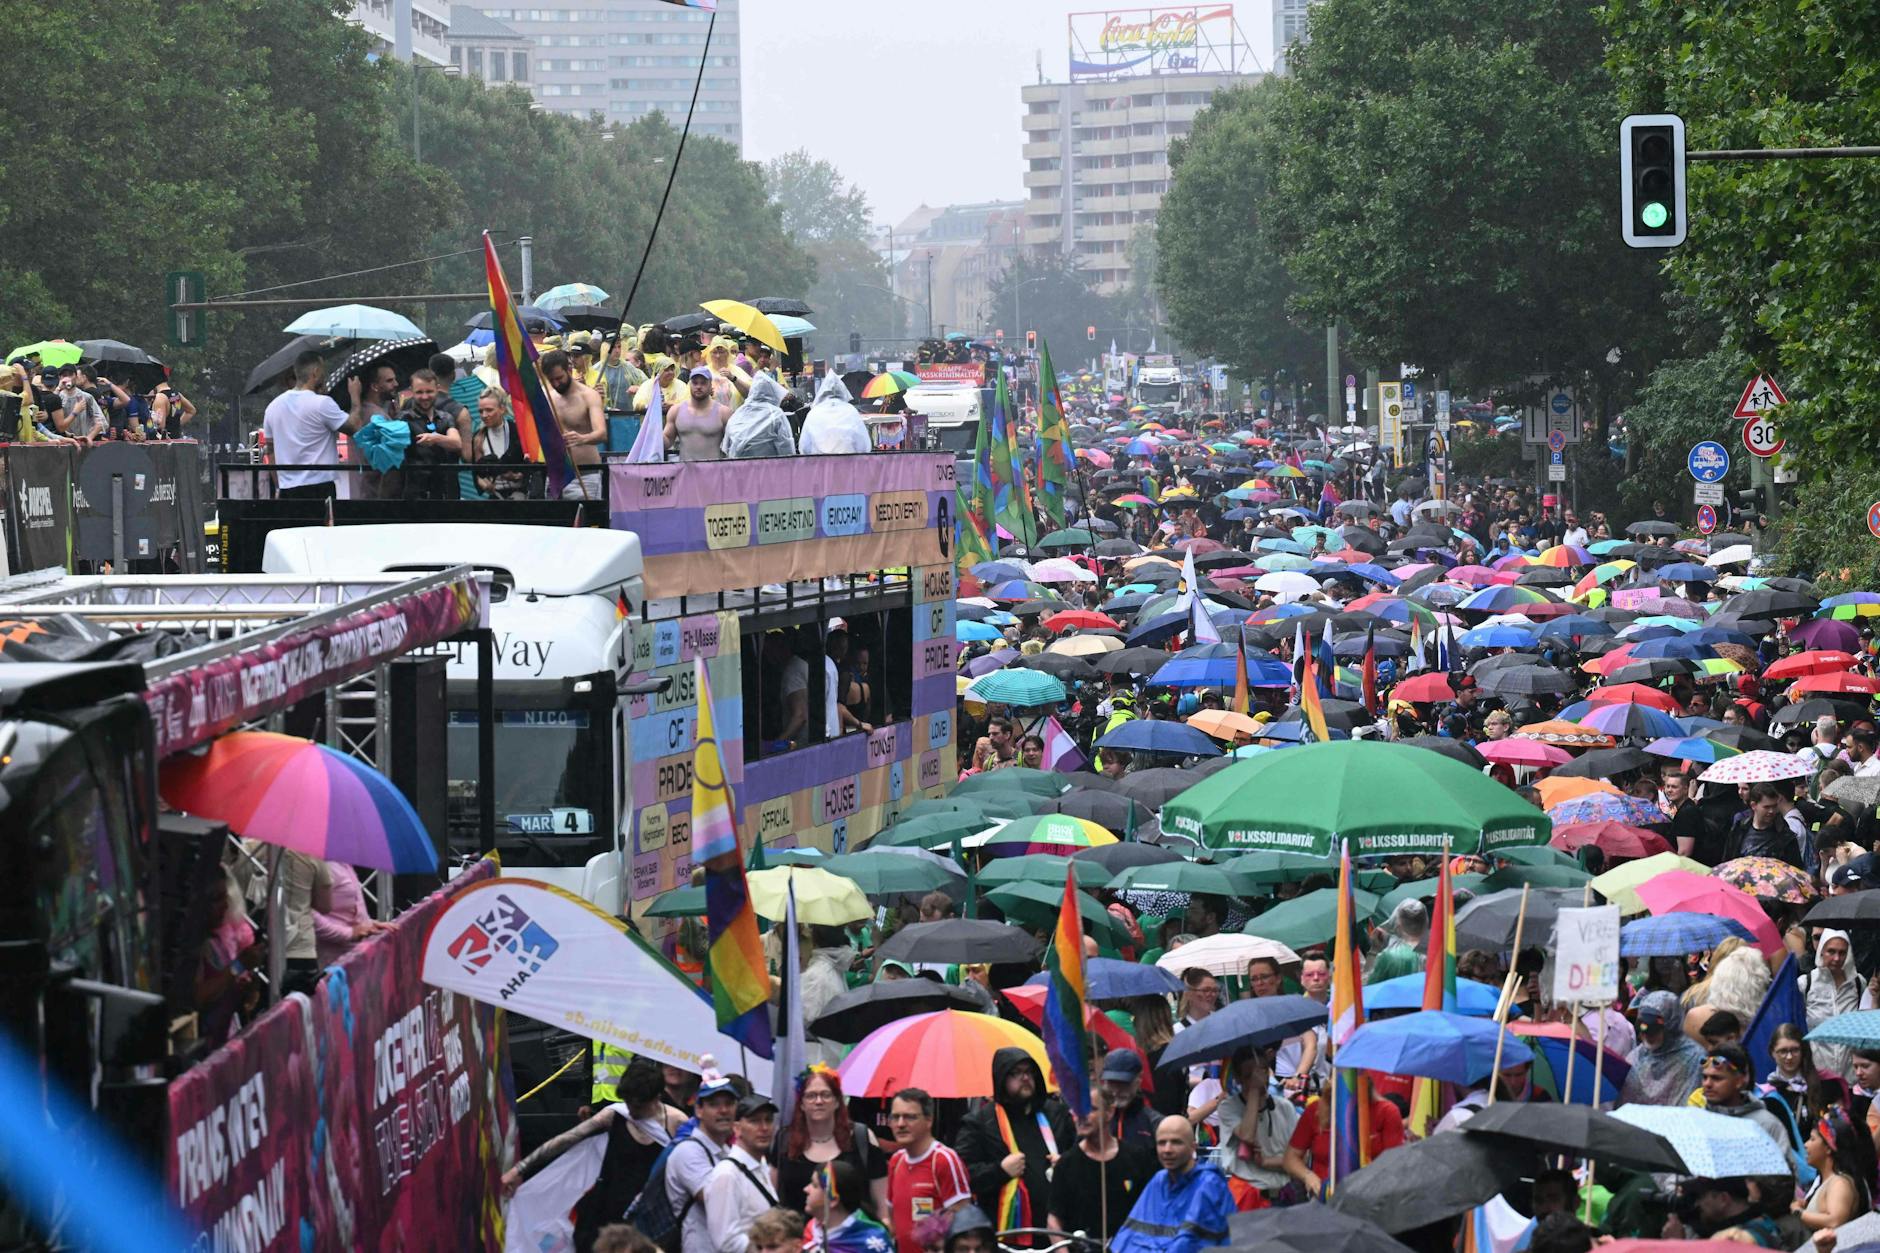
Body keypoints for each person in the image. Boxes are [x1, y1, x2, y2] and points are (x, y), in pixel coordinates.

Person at [504, 1056, 687, 1253]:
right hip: (605, 1218)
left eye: (637, 1107)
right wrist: (519, 1169)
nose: (631, 1111)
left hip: (647, 1218)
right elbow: (566, 1139)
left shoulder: (677, 1123)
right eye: (628, 1104)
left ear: (655, 1098)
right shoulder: (616, 1115)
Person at [956, 1048, 1070, 1243]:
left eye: (1029, 1072)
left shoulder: (1056, 1114)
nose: (1025, 1078)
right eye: (1015, 1073)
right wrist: (1000, 1171)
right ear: (1001, 1078)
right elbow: (963, 1175)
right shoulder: (980, 1122)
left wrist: (1066, 1163)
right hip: (1005, 1236)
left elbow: (1081, 1154)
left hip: (1058, 1230)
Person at [772, 1064, 887, 1219]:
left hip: (851, 1238)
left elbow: (882, 1206)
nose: (818, 1101)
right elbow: (772, 1199)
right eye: (811, 1096)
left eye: (825, 1094)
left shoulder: (862, 1138)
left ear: (837, 1101)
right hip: (796, 1239)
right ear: (801, 1104)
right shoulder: (784, 1140)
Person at [1050, 1083, 1158, 1243]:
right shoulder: (1066, 1164)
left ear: (1109, 1112)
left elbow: (1152, 1210)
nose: (1082, 1116)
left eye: (1091, 1109)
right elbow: (1054, 1221)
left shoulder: (1137, 1157)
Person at [1110, 1115, 1235, 1253]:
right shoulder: (1159, 1180)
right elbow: (1129, 1236)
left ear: (1193, 1147)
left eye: (1176, 1142)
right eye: (1161, 1143)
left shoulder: (1209, 1185)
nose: (1167, 1150)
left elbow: (1189, 1243)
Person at [262, 352, 367, 500]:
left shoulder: (272, 407)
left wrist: (279, 485)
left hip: (287, 490)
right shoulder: (322, 404)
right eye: (323, 370)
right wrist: (355, 396)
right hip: (319, 488)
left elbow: (271, 452)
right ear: (315, 372)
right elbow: (355, 427)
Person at [1282, 1077, 1405, 1195]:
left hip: (1369, 1197)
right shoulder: (1315, 1110)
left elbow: (1394, 1165)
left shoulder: (1387, 1111)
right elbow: (1290, 1158)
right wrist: (1308, 1176)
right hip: (1324, 1196)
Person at [1213, 1044, 1301, 1209]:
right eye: (1249, 1076)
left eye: (1262, 1072)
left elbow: (1299, 1158)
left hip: (1283, 1196)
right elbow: (1247, 1135)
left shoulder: (1285, 1107)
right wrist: (1254, 1091)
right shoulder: (1228, 1107)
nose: (1259, 1080)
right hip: (1248, 1198)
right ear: (1238, 1078)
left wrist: (1268, 1162)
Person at [885, 1088, 971, 1253]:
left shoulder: (944, 1160)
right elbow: (893, 1221)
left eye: (910, 1117)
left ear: (929, 1120)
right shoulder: (896, 1161)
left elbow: (964, 1224)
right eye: (895, 1117)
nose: (901, 1124)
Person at [701, 1092, 780, 1253]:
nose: (764, 1128)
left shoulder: (762, 1165)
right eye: (754, 1121)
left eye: (768, 1120)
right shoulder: (727, 1175)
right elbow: (726, 1241)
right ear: (737, 1128)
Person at [1621, 989, 1707, 1106]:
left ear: (1671, 1025)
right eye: (1644, 1031)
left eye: (1654, 1030)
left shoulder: (1695, 1058)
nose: (1648, 1036)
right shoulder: (1636, 1057)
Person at [542, 349, 607, 499]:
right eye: (551, 380)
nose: (556, 383)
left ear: (569, 370)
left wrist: (581, 438)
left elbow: (602, 433)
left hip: (585, 474)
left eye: (559, 378)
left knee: (586, 520)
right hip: (556, 474)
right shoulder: (547, 398)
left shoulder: (589, 396)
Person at [1698, 1045, 1790, 1150]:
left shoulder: (1766, 1124)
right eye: (1705, 1077)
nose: (1707, 1084)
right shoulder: (1698, 1122)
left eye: (1716, 1078)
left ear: (1739, 1081)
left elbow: (1784, 1165)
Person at [1798, 1107, 1875, 1232]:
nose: (1806, 1145)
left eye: (1812, 1139)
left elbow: (1835, 1221)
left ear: (1829, 1148)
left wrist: (1798, 1213)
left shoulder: (1840, 1183)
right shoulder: (1827, 1180)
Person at [1805, 931, 1863, 1078]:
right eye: (1831, 951)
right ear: (1821, 951)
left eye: (1842, 953)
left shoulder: (1858, 983)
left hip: (1851, 1074)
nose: (1837, 958)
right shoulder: (1806, 983)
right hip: (1817, 1073)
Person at [801, 1159, 892, 1253]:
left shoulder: (870, 1243)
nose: (806, 1189)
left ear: (833, 1201)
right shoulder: (812, 1230)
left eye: (814, 1185)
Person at [310, 860, 390, 966]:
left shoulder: (344, 864)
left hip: (355, 958)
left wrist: (368, 924)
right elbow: (307, 913)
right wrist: (349, 933)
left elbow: (350, 907)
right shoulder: (327, 867)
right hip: (335, 963)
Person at [469, 387, 529, 499]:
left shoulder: (518, 431)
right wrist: (485, 484)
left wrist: (517, 475)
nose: (484, 415)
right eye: (481, 411)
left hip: (522, 496)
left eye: (489, 410)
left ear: (502, 409)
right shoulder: (478, 437)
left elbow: (531, 464)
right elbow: (477, 473)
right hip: (495, 496)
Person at [665, 365, 732, 461]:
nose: (699, 387)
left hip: (714, 472)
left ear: (710, 385)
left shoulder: (723, 413)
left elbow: (734, 446)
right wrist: (653, 434)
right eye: (695, 383)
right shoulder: (676, 411)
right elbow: (667, 440)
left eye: (703, 383)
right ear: (690, 384)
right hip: (686, 473)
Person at [723, 374, 796, 459]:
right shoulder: (775, 414)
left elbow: (727, 447)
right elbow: (786, 448)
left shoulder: (737, 414)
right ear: (773, 392)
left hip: (739, 468)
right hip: (769, 468)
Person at [1098, 1049, 1159, 1150]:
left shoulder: (1153, 1123)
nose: (1116, 1091)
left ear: (1138, 1079)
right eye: (1111, 1083)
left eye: (1123, 1083)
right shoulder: (1095, 1120)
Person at [797, 372, 871, 454]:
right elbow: (864, 447)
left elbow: (804, 448)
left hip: (819, 465)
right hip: (848, 465)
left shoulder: (813, 413)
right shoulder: (851, 411)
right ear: (843, 391)